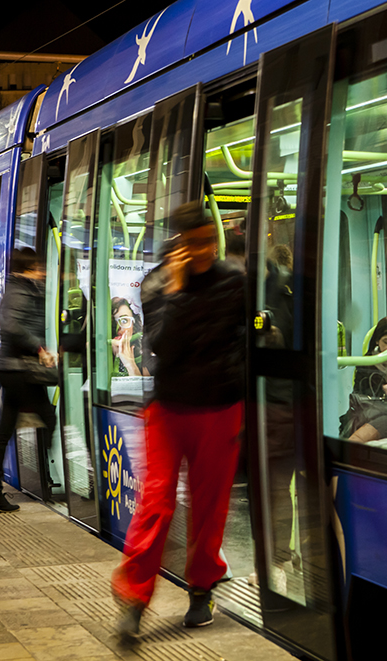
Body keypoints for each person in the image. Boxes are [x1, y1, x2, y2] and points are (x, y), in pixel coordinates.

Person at [112, 202, 245, 638]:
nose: (205, 250)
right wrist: (176, 290)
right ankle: (134, 596)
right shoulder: (156, 285)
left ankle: (202, 589)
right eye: (194, 243)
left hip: (221, 408)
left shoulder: (233, 282)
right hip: (169, 410)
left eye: (209, 240)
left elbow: (243, 341)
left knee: (210, 508)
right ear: (178, 246)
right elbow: (162, 347)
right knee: (156, 502)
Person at [0, 248, 57, 514]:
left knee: (5, 430)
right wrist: (40, 349)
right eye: (38, 266)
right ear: (29, 268)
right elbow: (11, 326)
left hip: (15, 371)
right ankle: (49, 478)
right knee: (48, 417)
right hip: (18, 371)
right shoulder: (19, 290)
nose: (43, 271)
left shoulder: (25, 288)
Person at [111, 297, 146, 376]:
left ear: (134, 326)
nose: (118, 327)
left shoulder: (144, 359)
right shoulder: (95, 356)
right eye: (112, 321)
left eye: (124, 321)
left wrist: (130, 364)